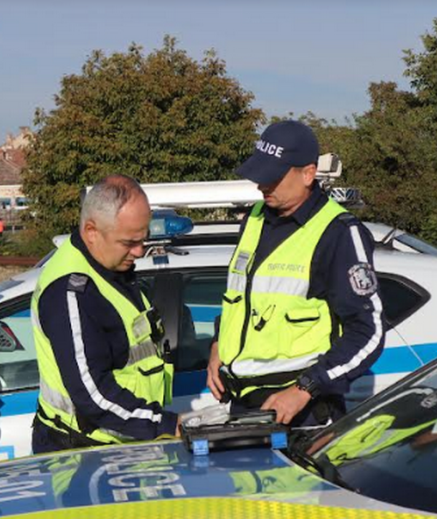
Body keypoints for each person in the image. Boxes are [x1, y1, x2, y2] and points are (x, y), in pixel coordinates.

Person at [207, 120, 386, 426]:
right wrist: (217, 345)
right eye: (259, 175)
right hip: (243, 405)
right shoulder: (254, 219)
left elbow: (369, 330)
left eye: (273, 177)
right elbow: (241, 299)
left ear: (308, 174)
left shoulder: (338, 232)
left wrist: (305, 388)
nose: (262, 185)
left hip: (302, 413)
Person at [32, 175, 178, 454]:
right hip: (83, 451)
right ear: (91, 232)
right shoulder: (70, 291)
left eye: (143, 240)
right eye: (129, 242)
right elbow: (91, 394)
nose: (139, 252)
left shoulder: (111, 268)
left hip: (125, 439)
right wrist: (165, 425)